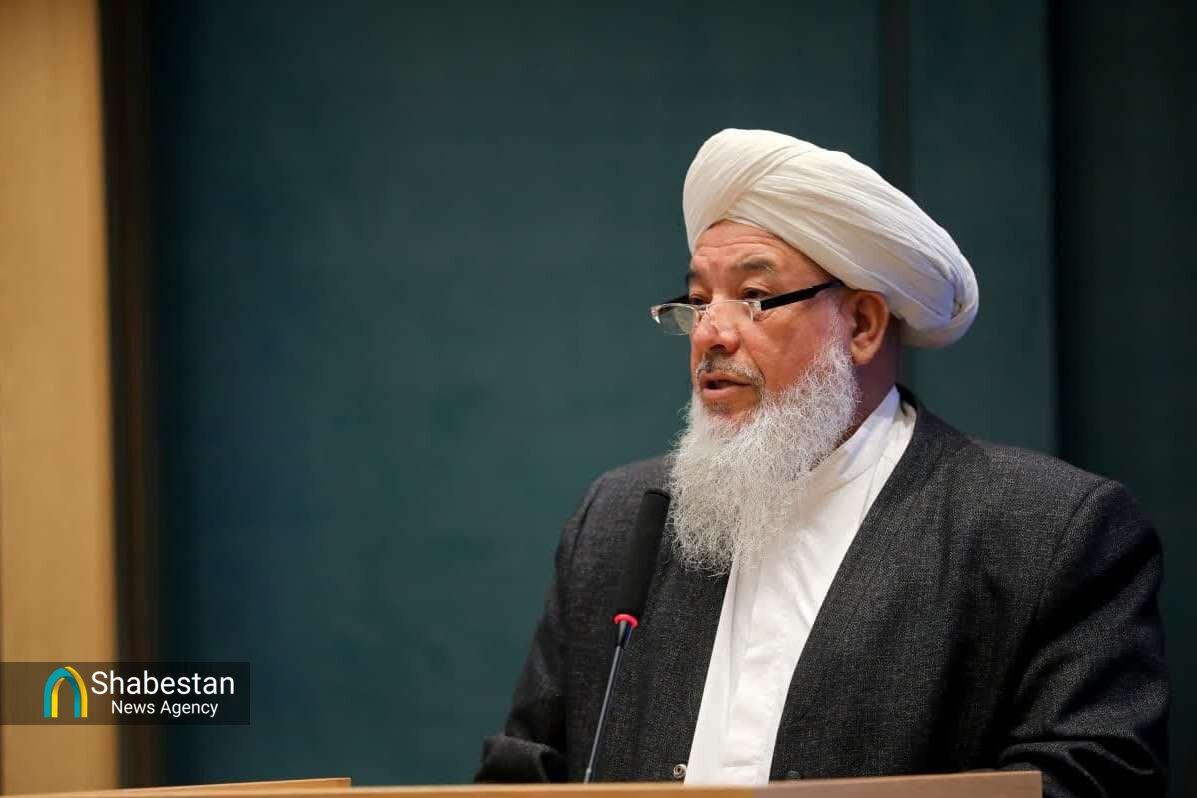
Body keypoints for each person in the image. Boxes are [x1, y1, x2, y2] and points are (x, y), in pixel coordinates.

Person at [475, 129, 1169, 796]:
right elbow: (525, 775)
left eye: (754, 298)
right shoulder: (620, 520)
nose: (711, 333)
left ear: (861, 325)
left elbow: (1085, 780)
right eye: (698, 301)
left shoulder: (1041, 532)